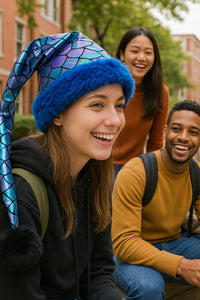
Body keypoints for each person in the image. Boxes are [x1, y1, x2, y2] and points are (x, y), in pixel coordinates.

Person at [0, 31, 134, 300]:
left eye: (119, 106)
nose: (115, 120)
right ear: (58, 113)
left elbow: (98, 271)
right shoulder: (21, 196)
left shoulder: (94, 176)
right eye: (97, 104)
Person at [112, 100, 200, 300]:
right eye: (176, 129)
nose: (184, 137)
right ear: (165, 132)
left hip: (174, 244)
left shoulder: (197, 174)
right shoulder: (136, 172)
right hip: (130, 253)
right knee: (149, 287)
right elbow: (124, 243)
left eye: (193, 132)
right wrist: (180, 265)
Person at [112, 27, 169, 176]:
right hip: (98, 166)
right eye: (135, 51)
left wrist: (153, 177)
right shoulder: (108, 85)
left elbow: (155, 143)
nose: (142, 57)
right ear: (122, 55)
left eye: (148, 52)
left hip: (134, 171)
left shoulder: (160, 92)